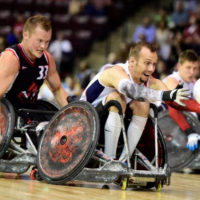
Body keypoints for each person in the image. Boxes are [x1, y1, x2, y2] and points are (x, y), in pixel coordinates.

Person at [80, 41, 190, 160]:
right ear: (132, 61)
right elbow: (131, 91)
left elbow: (172, 99)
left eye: (154, 64)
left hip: (112, 124)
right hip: (84, 122)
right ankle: (109, 159)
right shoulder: (115, 72)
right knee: (118, 98)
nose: (151, 69)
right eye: (147, 63)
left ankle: (124, 159)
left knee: (143, 104)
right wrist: (166, 95)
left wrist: (176, 96)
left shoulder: (150, 80)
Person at [0, 15, 68, 109]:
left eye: (47, 42)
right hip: (8, 114)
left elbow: (57, 90)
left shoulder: (47, 59)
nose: (43, 46)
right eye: (39, 41)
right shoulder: (12, 58)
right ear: (26, 35)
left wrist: (73, 113)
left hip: (29, 113)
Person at [163, 49, 200, 151]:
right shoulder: (172, 81)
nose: (192, 72)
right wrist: (190, 132)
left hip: (179, 124)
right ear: (179, 66)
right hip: (163, 124)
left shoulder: (194, 82)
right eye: (188, 67)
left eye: (195, 68)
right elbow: (174, 107)